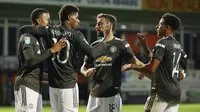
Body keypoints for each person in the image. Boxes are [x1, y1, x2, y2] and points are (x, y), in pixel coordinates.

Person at [19, 4, 94, 112]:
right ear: (69, 18)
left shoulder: (49, 31)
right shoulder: (76, 35)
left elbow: (24, 29)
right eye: (76, 18)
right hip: (68, 84)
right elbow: (91, 52)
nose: (78, 21)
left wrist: (43, 28)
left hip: (53, 86)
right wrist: (86, 64)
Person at [122, 13, 187, 112]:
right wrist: (144, 46)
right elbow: (158, 63)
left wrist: (131, 66)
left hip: (161, 93)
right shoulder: (177, 45)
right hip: (175, 94)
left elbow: (151, 67)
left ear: (167, 27)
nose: (157, 26)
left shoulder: (162, 43)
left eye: (160, 24)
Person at [80, 13, 144, 112]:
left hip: (111, 96)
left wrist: (144, 70)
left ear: (109, 25)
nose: (96, 27)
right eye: (97, 24)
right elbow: (83, 67)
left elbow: (136, 62)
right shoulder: (93, 46)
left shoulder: (121, 44)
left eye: (100, 24)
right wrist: (86, 72)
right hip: (93, 96)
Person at [14, 8, 66, 112]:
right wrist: (51, 50)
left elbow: (37, 68)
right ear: (39, 21)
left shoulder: (40, 39)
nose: (49, 22)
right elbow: (30, 61)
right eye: (47, 19)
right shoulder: (26, 37)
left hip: (36, 86)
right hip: (26, 84)